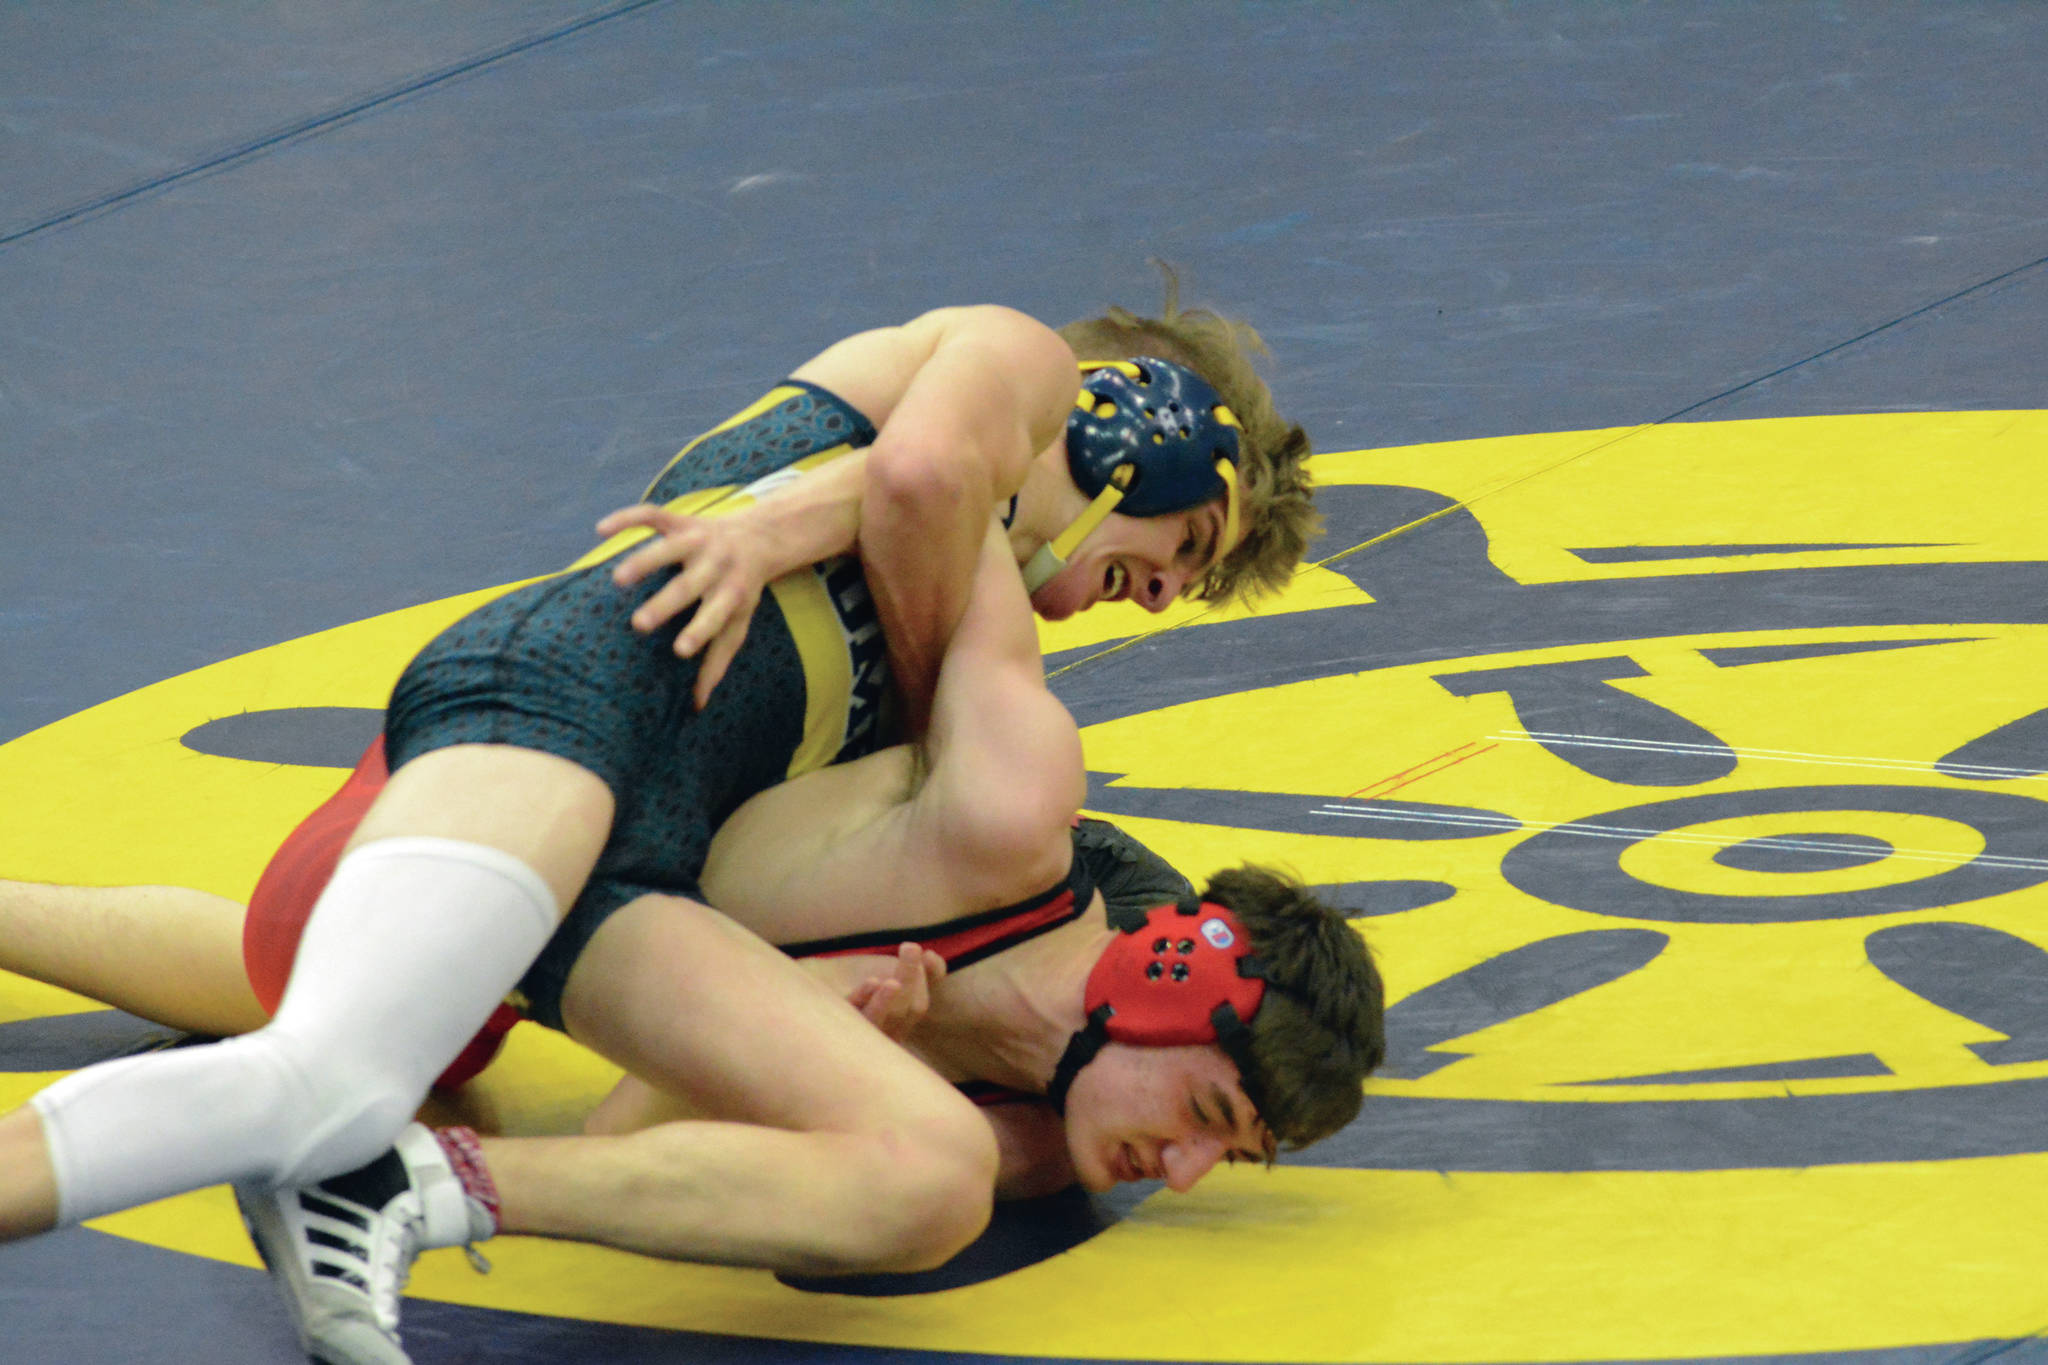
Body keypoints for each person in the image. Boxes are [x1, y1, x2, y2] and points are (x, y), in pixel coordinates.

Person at [0, 288, 1347, 1365]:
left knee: (927, 1177)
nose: (1162, 598)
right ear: (1134, 433)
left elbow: (635, 1121)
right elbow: (928, 474)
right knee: (321, 1073)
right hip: (572, 718)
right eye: (1185, 549)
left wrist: (818, 1017)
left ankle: (407, 1177)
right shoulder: (997, 378)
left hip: (611, 860)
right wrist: (776, 533)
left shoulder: (966, 624)